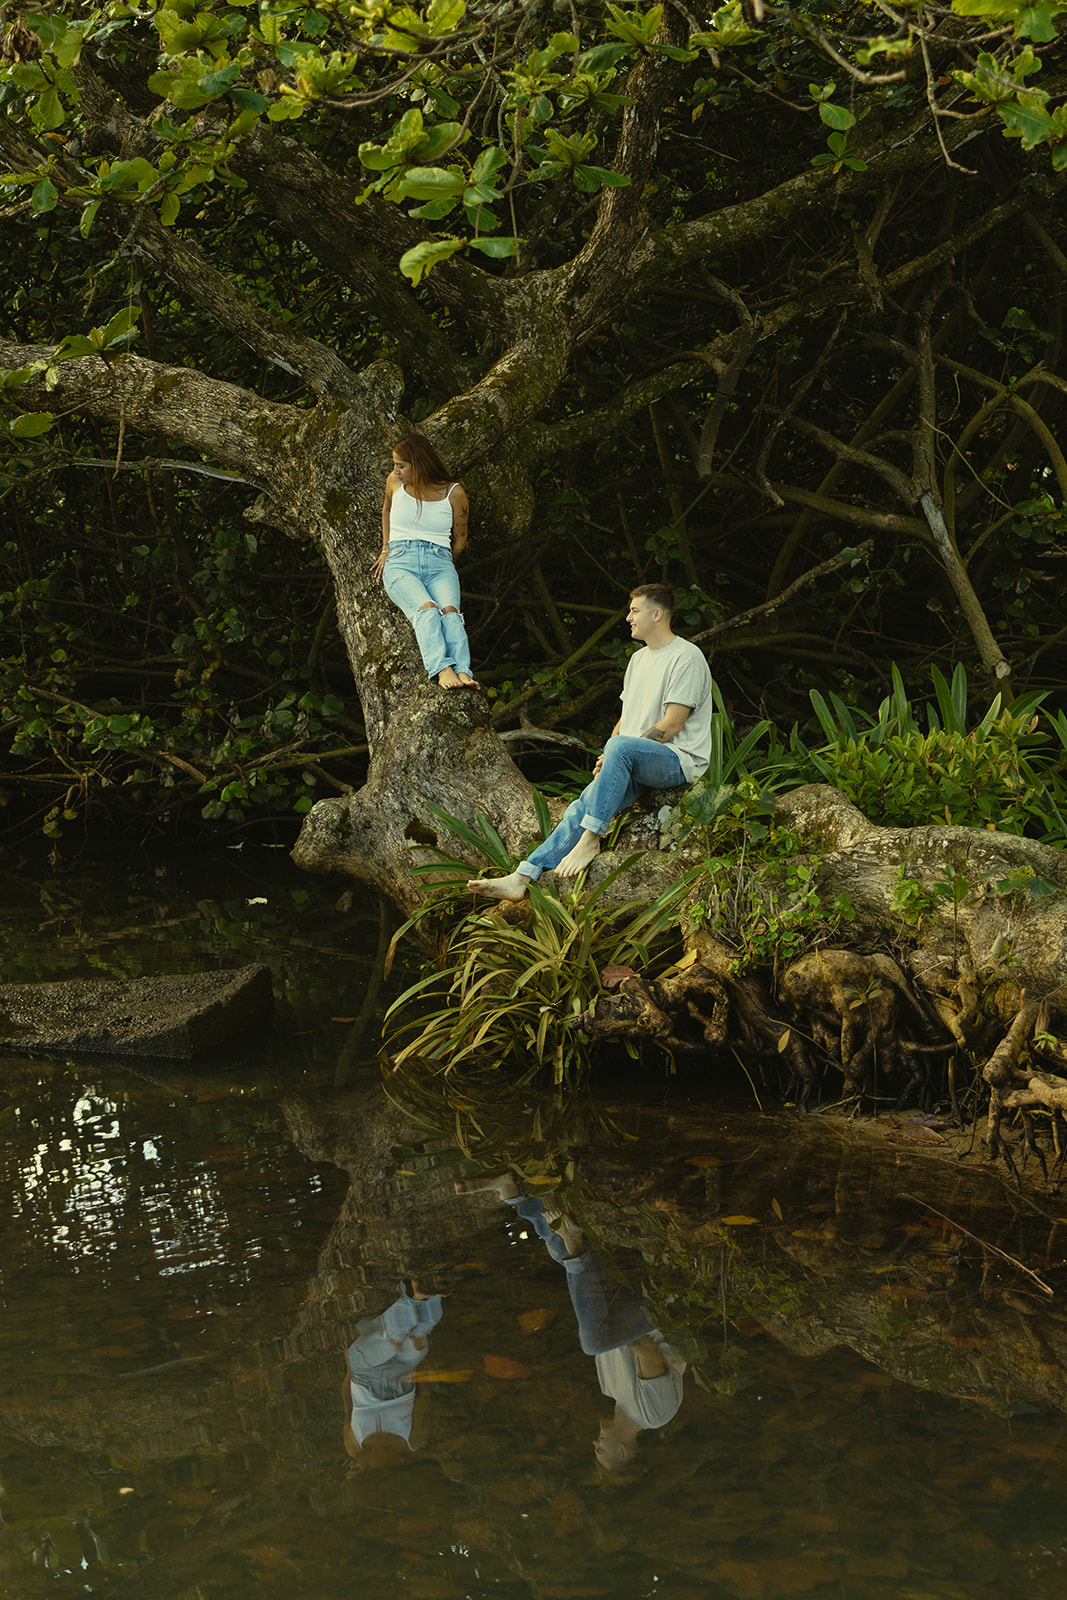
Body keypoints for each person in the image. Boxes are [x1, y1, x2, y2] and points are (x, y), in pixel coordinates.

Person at [468, 583, 712, 899]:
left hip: (676, 761)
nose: (628, 618)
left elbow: (673, 723)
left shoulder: (686, 656)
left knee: (617, 753)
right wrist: (610, 754)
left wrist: (621, 750)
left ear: (657, 613)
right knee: (580, 806)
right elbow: (626, 719)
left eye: (635, 611)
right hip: (635, 758)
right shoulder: (638, 660)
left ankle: (592, 837)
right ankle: (523, 876)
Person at [455, 1175, 685, 1472]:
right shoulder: (655, 1417)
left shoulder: (611, 1392)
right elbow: (650, 1352)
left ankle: (515, 1196)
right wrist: (607, 1332)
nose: (595, 1443)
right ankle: (573, 1241)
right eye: (602, 1450)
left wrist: (605, 1320)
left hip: (627, 1308)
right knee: (593, 1344)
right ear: (624, 1452)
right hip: (658, 1313)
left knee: (565, 1258)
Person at [375, 433, 479, 690]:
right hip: (401, 562)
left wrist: (445, 560)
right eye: (395, 465)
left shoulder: (454, 493)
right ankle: (442, 669)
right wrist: (386, 549)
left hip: (440, 563)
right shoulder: (394, 483)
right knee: (428, 611)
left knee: (451, 616)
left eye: (401, 465)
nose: (395, 471)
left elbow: (461, 537)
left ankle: (463, 671)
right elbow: (386, 510)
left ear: (419, 464)